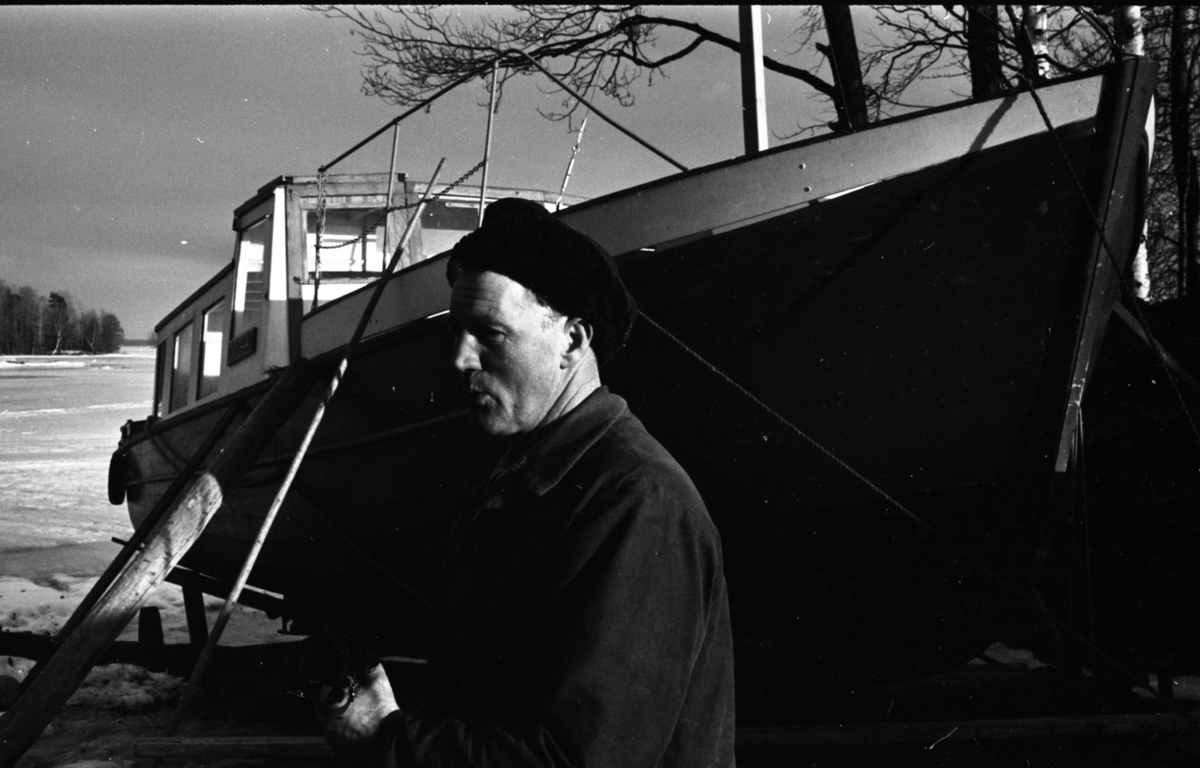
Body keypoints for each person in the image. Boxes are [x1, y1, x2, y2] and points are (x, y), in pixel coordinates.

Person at [316, 198, 736, 767]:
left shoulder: (635, 502)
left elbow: (573, 758)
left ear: (572, 340)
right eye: (458, 331)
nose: (460, 359)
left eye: (489, 334)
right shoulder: (533, 476)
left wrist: (385, 739)